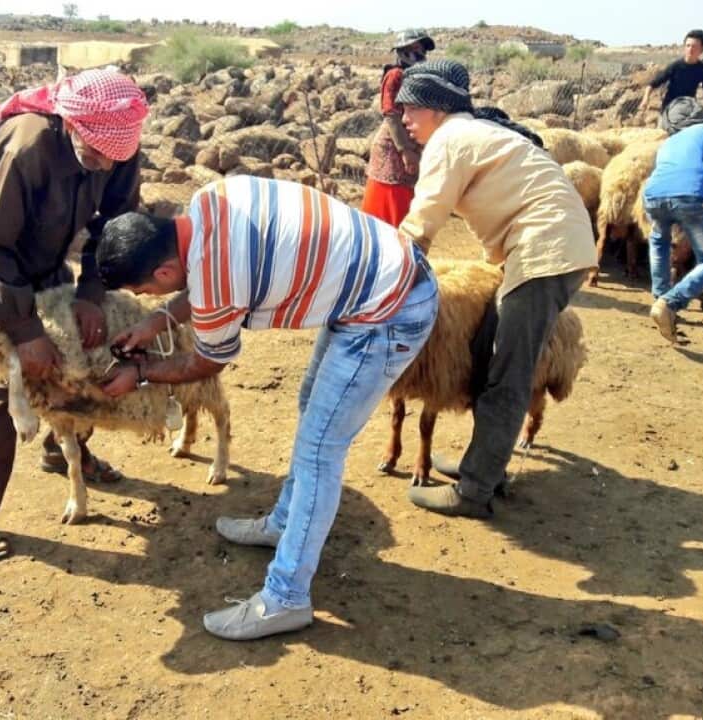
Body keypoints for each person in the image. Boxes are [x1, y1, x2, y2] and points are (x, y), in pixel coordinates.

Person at [95, 176, 439, 640]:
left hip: (389, 310)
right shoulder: (206, 202)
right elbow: (199, 281)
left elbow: (208, 360)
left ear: (163, 273)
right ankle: (283, 523)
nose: (148, 300)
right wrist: (156, 321)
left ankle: (287, 598)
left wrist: (139, 374)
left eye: (147, 293)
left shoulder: (217, 282)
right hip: (374, 280)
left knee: (321, 449)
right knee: (310, 411)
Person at [0, 69, 149, 559]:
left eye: (110, 159)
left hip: (45, 257)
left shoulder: (117, 146)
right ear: (71, 125)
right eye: (92, 153)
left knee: (80, 355)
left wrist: (92, 291)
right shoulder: (27, 146)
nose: (100, 165)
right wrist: (25, 329)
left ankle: (65, 449)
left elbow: (115, 228)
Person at [391, 60, 597, 519]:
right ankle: (482, 466)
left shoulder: (450, 140)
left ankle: (475, 490)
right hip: (548, 246)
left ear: (437, 108)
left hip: (545, 251)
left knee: (507, 371)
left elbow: (422, 222)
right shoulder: (471, 134)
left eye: (411, 108)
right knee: (487, 357)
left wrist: (384, 272)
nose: (403, 119)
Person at [641, 96, 703, 343]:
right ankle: (669, 303)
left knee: (659, 243)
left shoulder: (669, 141)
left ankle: (660, 297)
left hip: (653, 196)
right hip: (690, 197)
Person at [360, 28, 434, 227]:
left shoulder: (417, 77)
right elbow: (391, 115)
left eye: (421, 49)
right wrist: (405, 150)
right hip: (394, 148)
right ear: (402, 50)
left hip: (410, 145)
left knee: (406, 205)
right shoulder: (395, 75)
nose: (419, 53)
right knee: (390, 205)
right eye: (414, 48)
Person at [640, 29, 703, 122]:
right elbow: (653, 84)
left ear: (702, 49)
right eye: (688, 46)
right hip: (669, 108)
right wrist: (645, 99)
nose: (690, 49)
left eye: (694, 46)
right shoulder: (675, 66)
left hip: (688, 108)